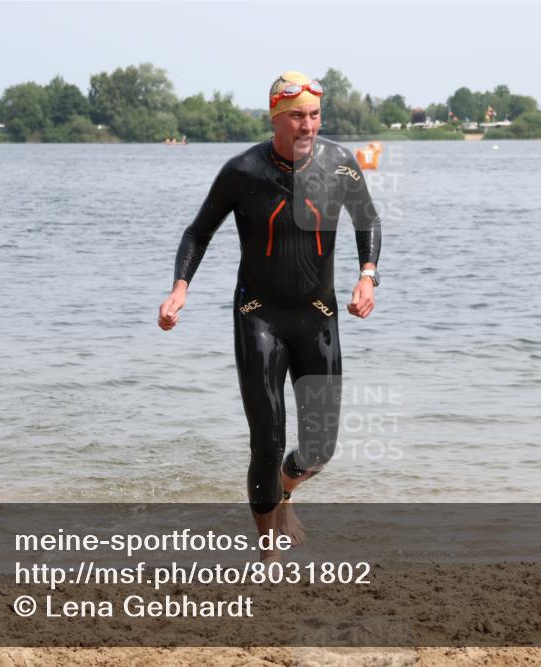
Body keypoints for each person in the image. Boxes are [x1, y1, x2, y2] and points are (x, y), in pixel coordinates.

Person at [159, 71, 382, 559]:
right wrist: (180, 289)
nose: (308, 126)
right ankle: (268, 549)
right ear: (276, 118)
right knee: (267, 435)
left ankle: (286, 491)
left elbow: (367, 220)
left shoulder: (341, 165)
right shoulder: (244, 171)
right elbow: (198, 233)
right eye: (297, 116)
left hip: (319, 317)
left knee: (319, 449)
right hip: (258, 315)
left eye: (315, 115)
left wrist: (368, 275)